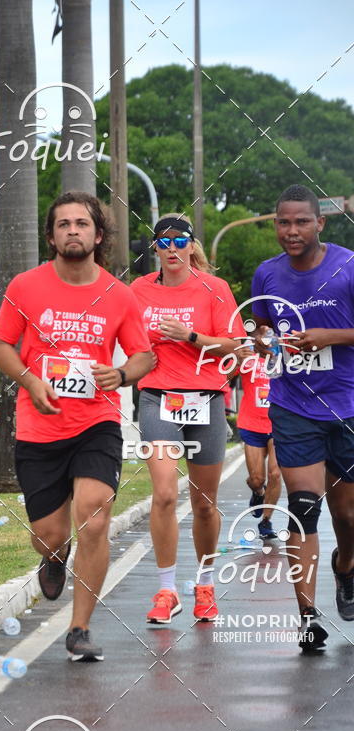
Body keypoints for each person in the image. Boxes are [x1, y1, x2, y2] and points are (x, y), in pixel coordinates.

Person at [0, 191, 152, 661]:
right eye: (63, 225)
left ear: (97, 235)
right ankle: (54, 556)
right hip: (40, 426)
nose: (73, 231)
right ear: (51, 236)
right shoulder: (26, 286)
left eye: (82, 223)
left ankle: (79, 628)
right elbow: (2, 345)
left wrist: (120, 374)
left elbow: (144, 354)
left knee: (95, 516)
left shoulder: (118, 295)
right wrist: (30, 381)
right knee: (49, 534)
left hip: (96, 422)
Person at [251, 184, 354, 652]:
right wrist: (265, 343)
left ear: (320, 224)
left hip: (348, 406)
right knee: (304, 508)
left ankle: (346, 565)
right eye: (283, 222)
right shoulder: (266, 275)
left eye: (301, 222)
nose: (291, 231)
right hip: (293, 404)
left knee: (348, 516)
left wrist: (327, 336)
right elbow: (263, 332)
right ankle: (307, 617)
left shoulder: (347, 266)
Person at [130, 214, 245, 625]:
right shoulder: (138, 290)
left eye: (180, 240)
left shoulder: (214, 290)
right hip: (157, 396)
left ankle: (205, 584)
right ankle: (166, 590)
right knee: (163, 493)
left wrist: (191, 337)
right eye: (164, 242)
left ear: (192, 246)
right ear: (156, 249)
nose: (173, 248)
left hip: (206, 399)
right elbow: (125, 338)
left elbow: (238, 347)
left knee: (203, 503)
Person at [235, 356, 281, 539]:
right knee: (256, 479)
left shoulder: (285, 356)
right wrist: (237, 358)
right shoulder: (246, 355)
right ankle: (258, 493)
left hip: (279, 423)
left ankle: (266, 521)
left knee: (275, 474)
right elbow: (224, 377)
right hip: (251, 424)